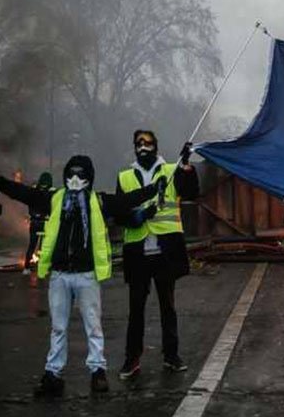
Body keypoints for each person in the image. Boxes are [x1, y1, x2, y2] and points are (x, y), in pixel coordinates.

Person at [0, 155, 160, 397]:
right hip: (60, 275)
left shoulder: (98, 201)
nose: (76, 179)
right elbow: (23, 193)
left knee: (93, 326)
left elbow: (126, 200)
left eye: (81, 174)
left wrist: (153, 189)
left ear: (89, 178)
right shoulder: (55, 199)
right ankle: (53, 373)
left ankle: (97, 371)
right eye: (72, 174)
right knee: (58, 328)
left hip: (86, 275)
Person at [117, 130, 198, 379]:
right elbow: (119, 213)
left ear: (156, 146)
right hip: (137, 252)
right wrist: (139, 216)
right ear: (134, 147)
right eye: (139, 143)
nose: (143, 147)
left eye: (148, 143)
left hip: (165, 251)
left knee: (168, 307)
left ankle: (171, 356)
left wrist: (186, 166)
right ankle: (132, 359)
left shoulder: (171, 170)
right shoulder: (125, 176)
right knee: (136, 310)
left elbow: (191, 192)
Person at [22, 172, 54, 275]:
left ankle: (26, 268)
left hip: (34, 222)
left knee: (32, 245)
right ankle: (42, 268)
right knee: (43, 247)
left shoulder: (34, 191)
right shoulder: (51, 193)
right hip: (46, 223)